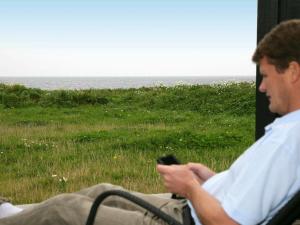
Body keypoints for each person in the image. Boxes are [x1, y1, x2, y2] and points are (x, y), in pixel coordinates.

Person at [1, 19, 300, 225]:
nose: (262, 87)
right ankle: (12, 214)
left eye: (266, 75)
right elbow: (252, 193)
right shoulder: (289, 132)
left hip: (183, 219)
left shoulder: (289, 141)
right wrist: (210, 180)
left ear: (293, 72)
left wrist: (190, 189)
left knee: (63, 210)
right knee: (100, 189)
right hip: (189, 209)